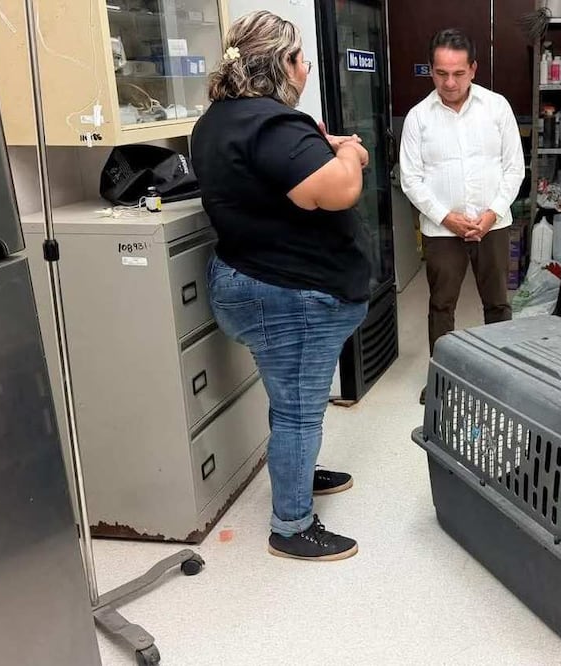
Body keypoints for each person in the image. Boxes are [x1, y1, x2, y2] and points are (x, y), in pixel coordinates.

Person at [191, 10, 371, 561]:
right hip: (287, 292)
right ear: (285, 64)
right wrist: (350, 152)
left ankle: (299, 476)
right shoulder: (270, 123)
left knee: (289, 397)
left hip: (256, 280)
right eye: (302, 59)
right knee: (296, 409)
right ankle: (291, 526)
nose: (307, 68)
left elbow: (277, 183)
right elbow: (338, 191)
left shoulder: (218, 120)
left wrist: (321, 146)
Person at [399, 28, 526, 404]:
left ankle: (503, 376)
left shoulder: (497, 107)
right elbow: (411, 178)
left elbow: (513, 168)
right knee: (441, 305)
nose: (449, 82)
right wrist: (447, 217)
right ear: (431, 71)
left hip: (493, 224)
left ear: (473, 68)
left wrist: (491, 214)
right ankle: (442, 379)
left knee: (497, 302)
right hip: (441, 230)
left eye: (458, 73)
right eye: (440, 73)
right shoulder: (419, 118)